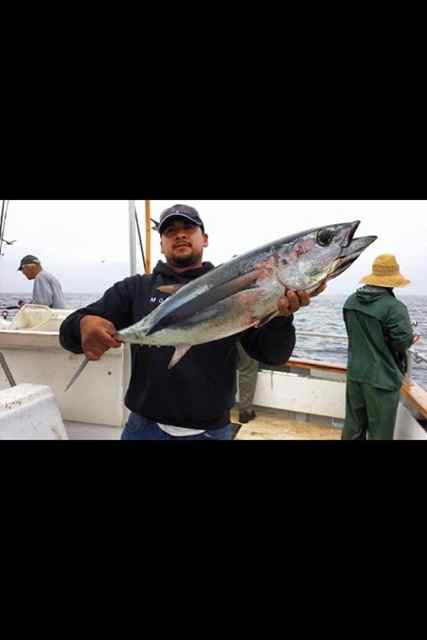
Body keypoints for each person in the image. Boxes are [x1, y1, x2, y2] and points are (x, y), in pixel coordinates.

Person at [59, 203, 322, 441]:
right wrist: (83, 326)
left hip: (211, 432)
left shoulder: (238, 288)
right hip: (143, 429)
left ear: (204, 239)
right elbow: (68, 332)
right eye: (170, 231)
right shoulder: (134, 289)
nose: (180, 234)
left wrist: (281, 319)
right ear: (161, 244)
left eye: (188, 228)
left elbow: (273, 354)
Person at [342, 254, 415, 440]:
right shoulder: (394, 307)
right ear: (393, 280)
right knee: (380, 432)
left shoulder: (350, 301)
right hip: (382, 379)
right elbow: (401, 343)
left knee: (353, 428)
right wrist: (410, 340)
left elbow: (354, 333)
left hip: (356, 374)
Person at [237, 341, 259, 423]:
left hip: (221, 335)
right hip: (245, 335)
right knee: (248, 371)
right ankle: (245, 412)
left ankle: (218, 409)